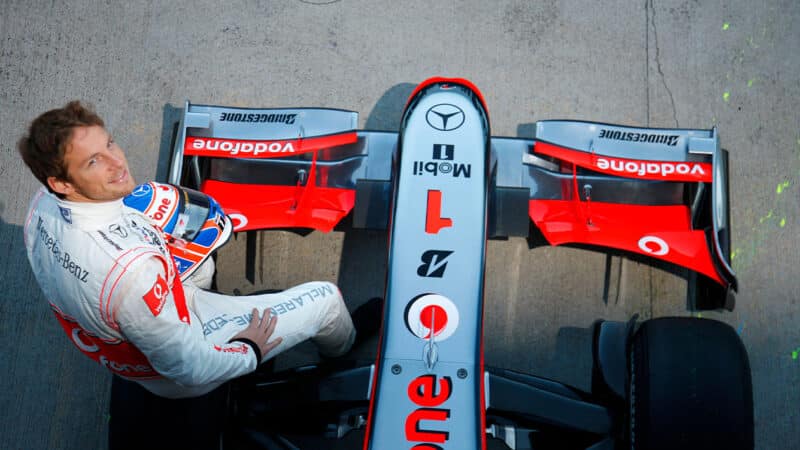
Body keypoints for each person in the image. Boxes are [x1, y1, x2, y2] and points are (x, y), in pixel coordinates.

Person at [19, 100, 380, 399]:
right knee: (325, 299)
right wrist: (248, 350)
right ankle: (341, 351)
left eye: (109, 144)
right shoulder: (136, 273)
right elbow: (189, 367)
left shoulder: (40, 207)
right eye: (93, 161)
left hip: (125, 336)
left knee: (200, 260)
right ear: (62, 182)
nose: (117, 163)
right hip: (181, 366)